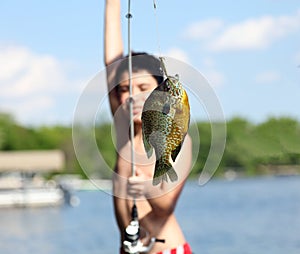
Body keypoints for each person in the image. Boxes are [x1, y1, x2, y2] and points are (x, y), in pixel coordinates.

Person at [104, 1, 193, 253]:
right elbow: (111, 62)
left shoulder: (177, 137)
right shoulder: (124, 132)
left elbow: (166, 206)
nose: (132, 96)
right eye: (124, 89)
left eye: (143, 88)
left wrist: (144, 188)